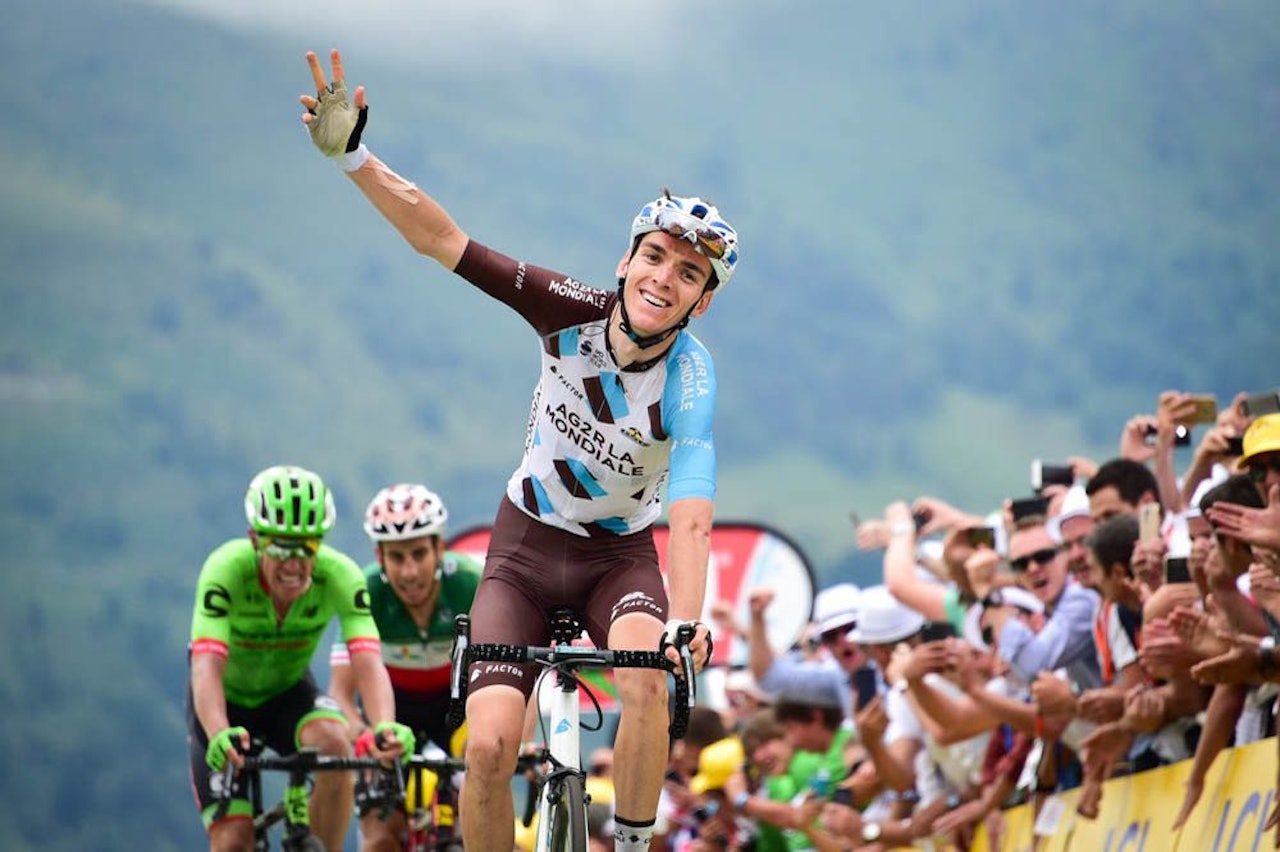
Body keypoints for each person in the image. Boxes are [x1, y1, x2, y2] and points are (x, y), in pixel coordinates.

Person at [299, 50, 726, 851]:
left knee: (647, 679)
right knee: (490, 747)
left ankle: (630, 843)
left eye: (689, 273)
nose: (665, 278)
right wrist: (355, 157)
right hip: (524, 550)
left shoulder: (692, 380)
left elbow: (694, 517)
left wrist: (688, 622)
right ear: (626, 261)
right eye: (656, 256)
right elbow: (442, 239)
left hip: (618, 559)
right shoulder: (566, 307)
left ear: (701, 302)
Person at [186, 465, 413, 852]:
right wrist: (218, 728)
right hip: (223, 704)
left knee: (335, 744)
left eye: (307, 547)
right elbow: (206, 662)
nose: (293, 563)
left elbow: (368, 660)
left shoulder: (339, 575)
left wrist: (384, 727)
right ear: (255, 539)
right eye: (279, 548)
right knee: (233, 841)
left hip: (289, 693)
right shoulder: (225, 570)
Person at [329, 483, 482, 852]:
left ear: (439, 548)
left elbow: (509, 674)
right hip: (390, 715)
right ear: (380, 558)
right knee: (381, 836)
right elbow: (340, 695)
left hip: (457, 711)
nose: (410, 572)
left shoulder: (469, 583)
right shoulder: (366, 592)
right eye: (397, 558)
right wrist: (366, 737)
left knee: (474, 828)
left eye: (418, 554)